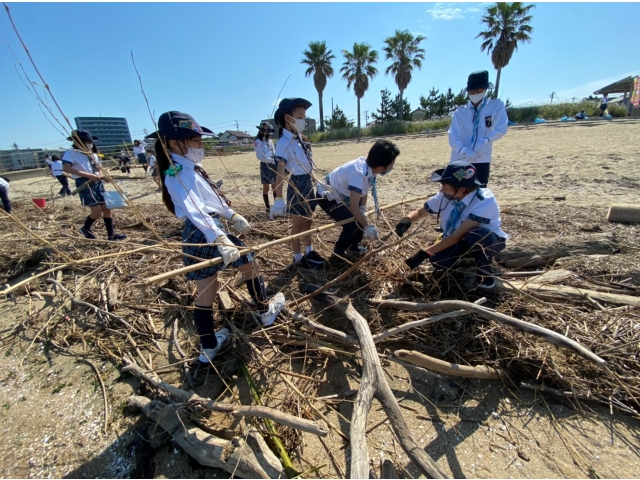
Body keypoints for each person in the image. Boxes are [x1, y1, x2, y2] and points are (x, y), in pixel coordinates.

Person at [150, 111, 285, 364]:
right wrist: (221, 238)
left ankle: (209, 346)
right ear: (174, 142)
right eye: (195, 141)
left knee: (206, 290)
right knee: (250, 265)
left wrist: (232, 215)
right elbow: (197, 210)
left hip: (201, 231)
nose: (200, 146)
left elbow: (211, 200)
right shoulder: (176, 175)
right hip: (205, 229)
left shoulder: (190, 168)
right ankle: (265, 310)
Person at [395, 161, 508, 289]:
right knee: (438, 260)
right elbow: (421, 211)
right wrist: (407, 220)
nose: (441, 188)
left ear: (461, 189)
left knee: (476, 235)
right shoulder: (446, 195)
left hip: (487, 241)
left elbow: (457, 235)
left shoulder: (484, 200)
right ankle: (464, 261)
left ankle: (485, 275)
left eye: (444, 184)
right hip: (458, 240)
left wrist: (422, 254)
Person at [316, 140, 400, 261]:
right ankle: (338, 253)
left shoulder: (370, 168)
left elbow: (363, 191)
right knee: (351, 224)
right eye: (391, 164)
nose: (392, 167)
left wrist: (363, 208)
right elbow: (354, 207)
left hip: (344, 193)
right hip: (327, 196)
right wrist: (367, 227)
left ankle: (353, 245)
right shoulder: (358, 174)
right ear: (381, 167)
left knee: (360, 217)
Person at [271, 97, 327, 269]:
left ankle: (309, 251)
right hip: (296, 185)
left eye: (304, 116)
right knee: (297, 223)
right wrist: (278, 198)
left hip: (308, 183)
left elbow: (309, 166)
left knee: (308, 219)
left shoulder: (301, 139)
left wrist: (319, 182)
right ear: (288, 118)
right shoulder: (283, 143)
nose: (303, 120)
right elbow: (279, 172)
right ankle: (297, 257)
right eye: (300, 116)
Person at [62, 129, 127, 241]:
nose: (90, 144)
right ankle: (85, 228)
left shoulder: (93, 155)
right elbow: (67, 168)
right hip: (85, 182)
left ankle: (111, 235)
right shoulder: (71, 153)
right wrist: (89, 175)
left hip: (97, 182)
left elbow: (98, 169)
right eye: (88, 141)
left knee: (107, 208)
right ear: (79, 141)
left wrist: (103, 176)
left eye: (91, 142)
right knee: (96, 212)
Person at [448, 70, 508, 187]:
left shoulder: (495, 106)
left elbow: (501, 128)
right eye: (472, 90)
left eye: (479, 90)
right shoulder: (460, 112)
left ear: (485, 89)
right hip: (460, 159)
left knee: (479, 190)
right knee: (458, 188)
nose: (475, 93)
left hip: (482, 158)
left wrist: (485, 140)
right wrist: (465, 150)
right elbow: (452, 135)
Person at [254, 122, 277, 212]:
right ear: (260, 131)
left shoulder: (270, 141)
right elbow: (260, 156)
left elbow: (274, 151)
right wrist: (270, 160)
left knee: (275, 185)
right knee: (266, 187)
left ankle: (276, 205)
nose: (267, 133)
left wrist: (275, 159)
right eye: (265, 131)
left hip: (273, 163)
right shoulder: (257, 142)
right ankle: (268, 207)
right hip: (265, 164)